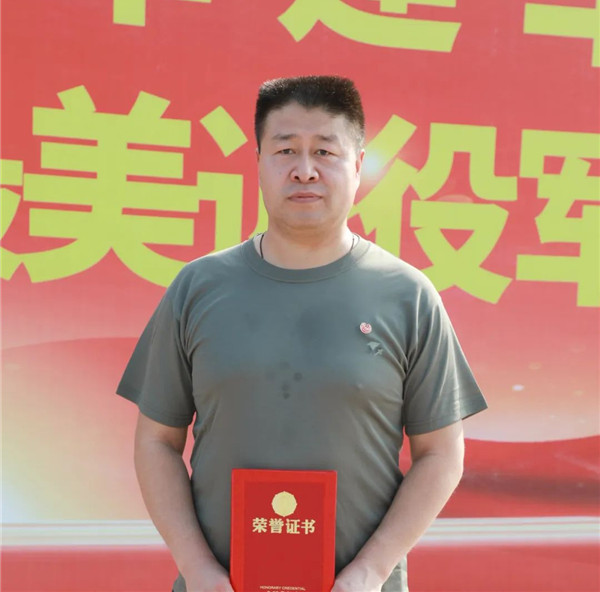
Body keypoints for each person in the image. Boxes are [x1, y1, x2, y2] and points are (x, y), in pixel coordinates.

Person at [117, 75, 487, 592]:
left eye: (325, 152)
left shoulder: (408, 295)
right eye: (285, 150)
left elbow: (442, 454)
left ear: (358, 166)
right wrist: (198, 570)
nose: (305, 170)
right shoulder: (197, 288)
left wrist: (371, 571)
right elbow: (156, 442)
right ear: (259, 162)